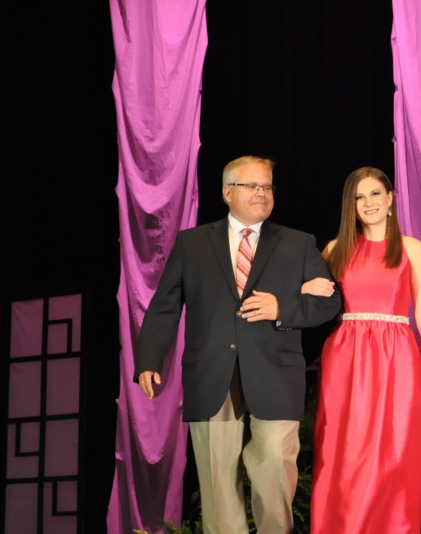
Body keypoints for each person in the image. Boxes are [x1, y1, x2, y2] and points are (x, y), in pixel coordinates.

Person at [134, 155, 343, 534]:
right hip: (212, 373)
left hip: (276, 375)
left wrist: (283, 307)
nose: (262, 193)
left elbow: (329, 302)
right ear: (227, 192)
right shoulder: (192, 243)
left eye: (267, 186)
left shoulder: (298, 243)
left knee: (274, 475)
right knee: (218, 486)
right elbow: (164, 306)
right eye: (252, 186)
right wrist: (150, 358)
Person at [308, 166, 421, 534]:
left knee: (396, 448)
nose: (367, 203)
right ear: (350, 206)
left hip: (397, 355)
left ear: (390, 200)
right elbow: (317, 303)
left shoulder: (412, 248)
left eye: (374, 194)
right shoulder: (336, 249)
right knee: (342, 447)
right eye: (359, 197)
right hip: (345, 355)